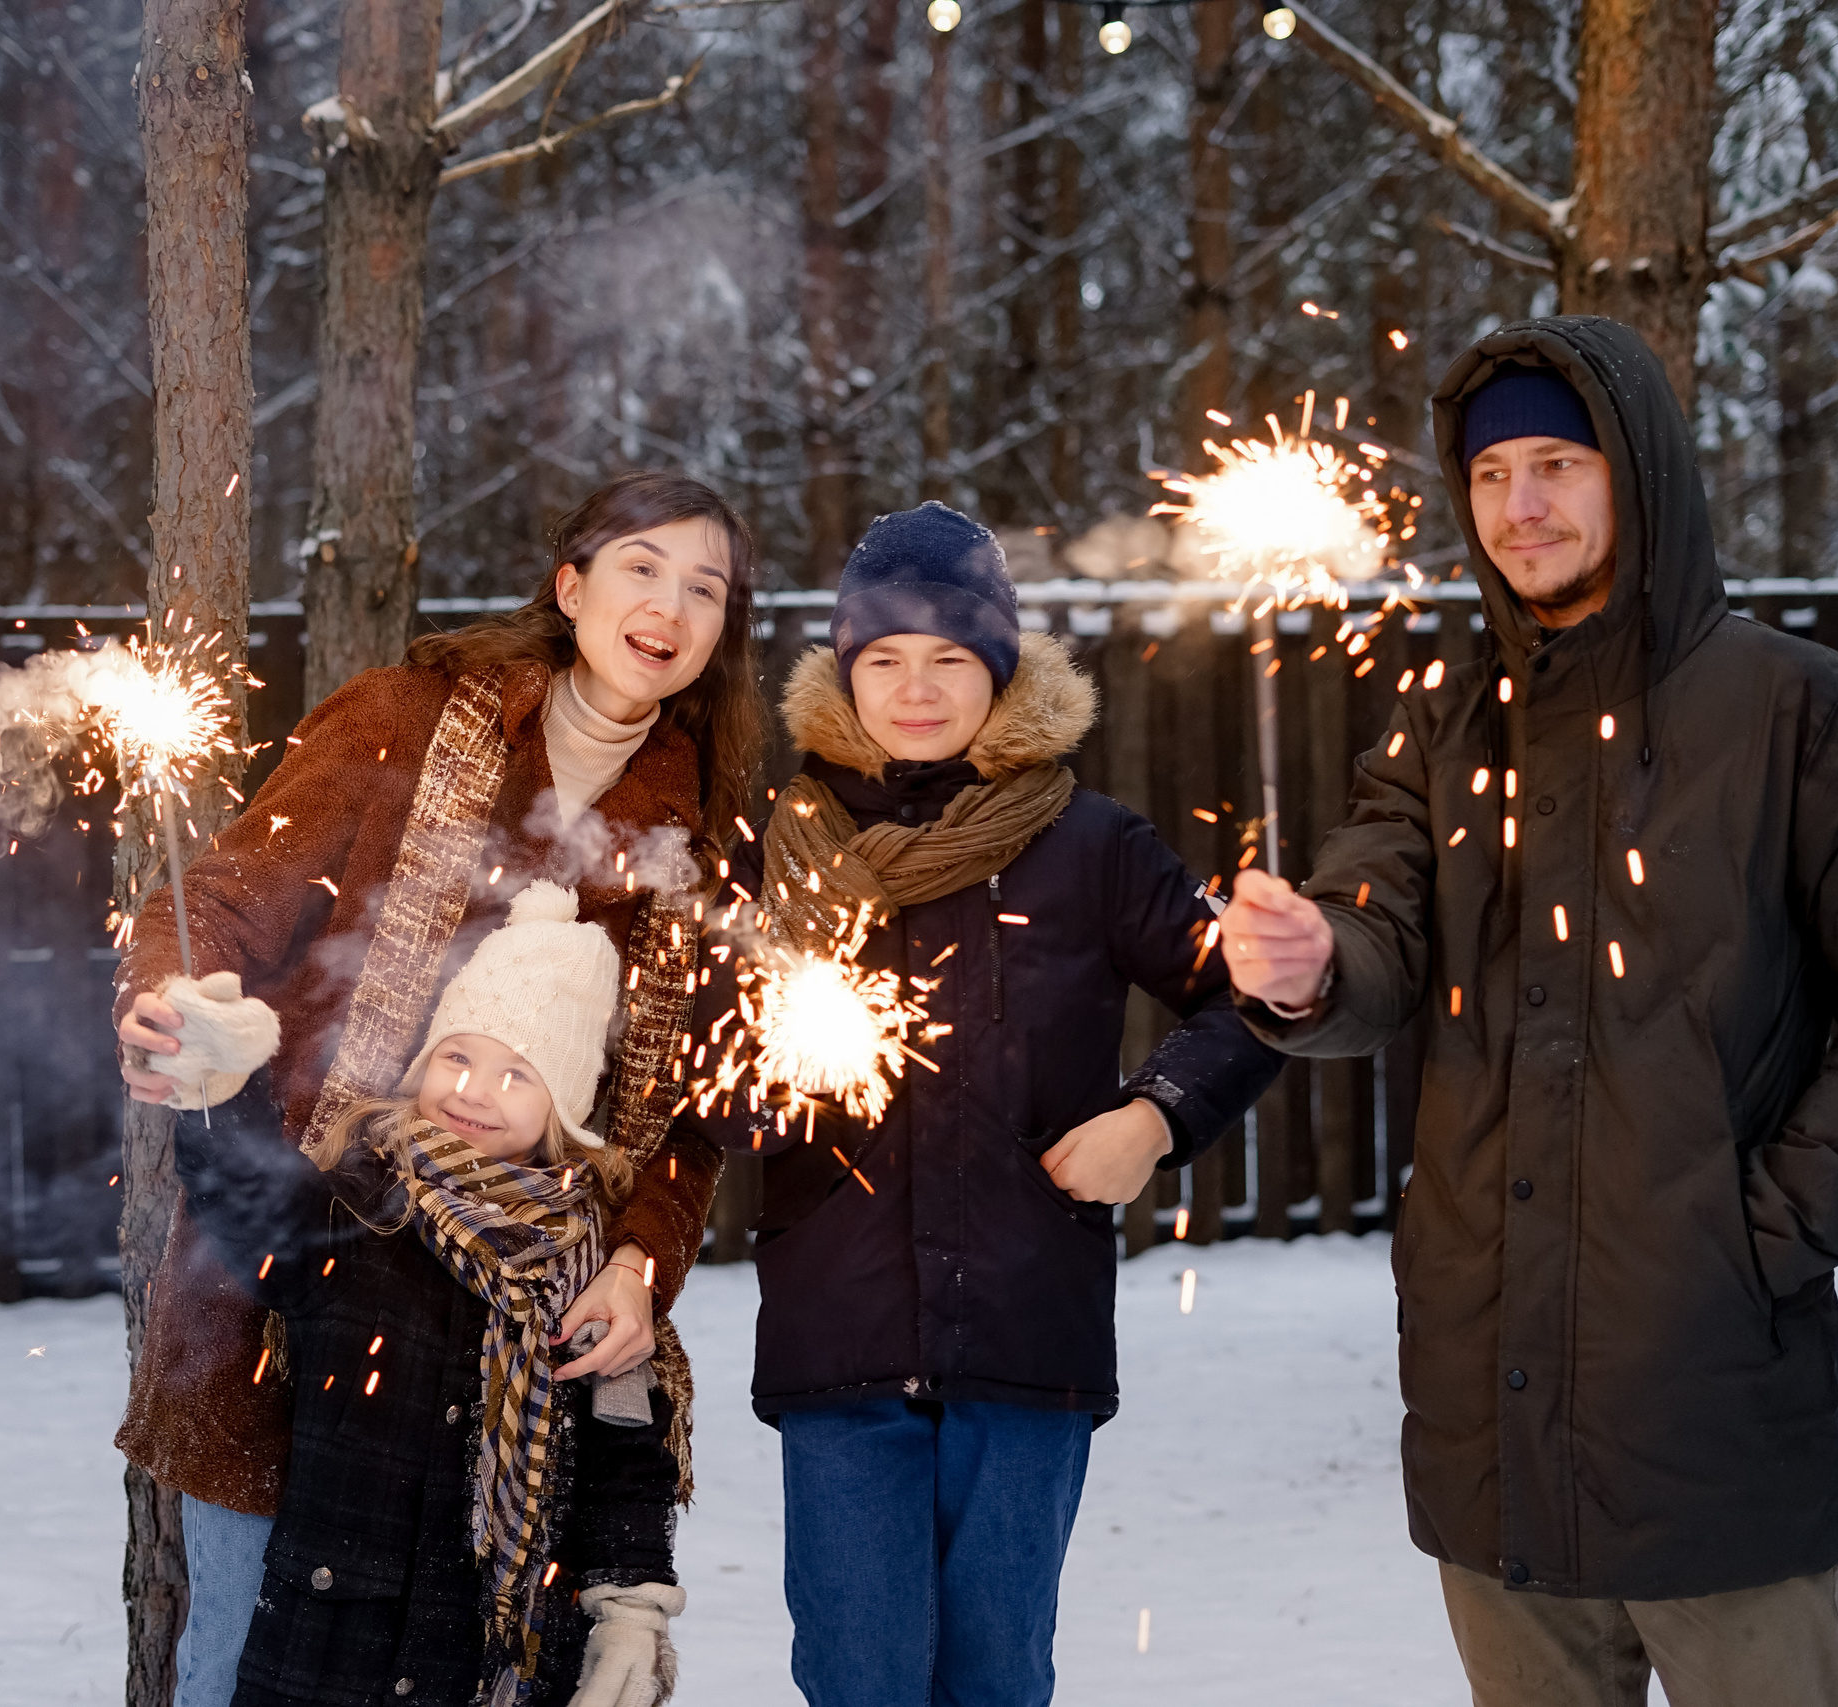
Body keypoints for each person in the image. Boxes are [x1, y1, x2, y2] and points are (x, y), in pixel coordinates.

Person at [1217, 317, 1838, 1707]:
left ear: (1640, 473)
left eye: (1558, 462)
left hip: (1715, 1422)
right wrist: (1309, 954)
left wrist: (1763, 1236)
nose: (1522, 505)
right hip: (1489, 1423)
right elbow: (1378, 927)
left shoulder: (1799, 712)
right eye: (1494, 470)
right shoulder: (1448, 720)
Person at [113, 471, 761, 1706]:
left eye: (704, 589)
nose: (668, 606)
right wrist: (183, 1014)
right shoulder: (403, 720)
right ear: (571, 586)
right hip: (295, 1272)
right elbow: (218, 909)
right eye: (640, 569)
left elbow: (684, 1116)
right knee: (246, 1671)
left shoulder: (709, 831)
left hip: (513, 1337)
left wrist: (638, 1264)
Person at [691, 501, 1285, 1707]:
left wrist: (1155, 1115)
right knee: (859, 1676)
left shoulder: (1091, 845)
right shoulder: (778, 848)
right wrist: (776, 1078)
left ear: (1001, 671)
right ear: (844, 673)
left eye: (950, 659)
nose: (915, 690)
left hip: (1026, 1331)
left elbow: (1250, 1004)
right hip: (840, 1335)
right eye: (885, 660)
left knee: (998, 1675)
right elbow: (707, 1075)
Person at [171, 883, 685, 1707]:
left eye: (518, 1073)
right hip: (331, 1642)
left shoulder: (586, 1262)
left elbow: (624, 1457)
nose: (476, 1090)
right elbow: (253, 1211)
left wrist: (630, 1609)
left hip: (487, 1653)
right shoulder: (360, 1205)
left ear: (566, 1108)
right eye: (458, 1057)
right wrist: (221, 1097)